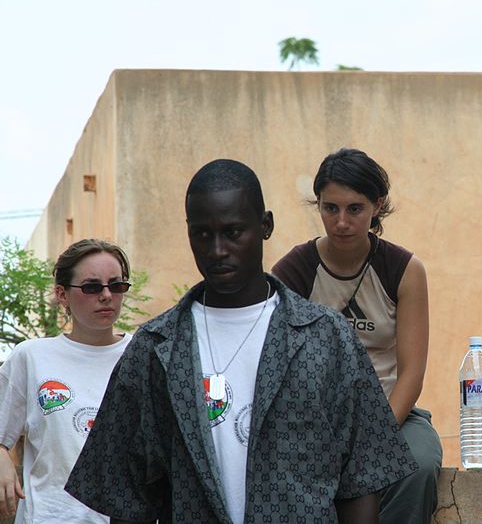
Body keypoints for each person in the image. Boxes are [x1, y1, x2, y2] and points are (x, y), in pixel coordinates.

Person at [65, 158, 416, 524]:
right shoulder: (155, 348)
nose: (217, 250)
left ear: (265, 226)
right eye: (202, 234)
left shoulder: (326, 339)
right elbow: (126, 495)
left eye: (233, 232)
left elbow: (360, 481)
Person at [272, 148, 442, 523]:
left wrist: (373, 436)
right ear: (318, 206)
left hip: (391, 412)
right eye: (330, 208)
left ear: (377, 206)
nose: (342, 222)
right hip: (313, 421)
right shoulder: (293, 271)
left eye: (355, 209)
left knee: (420, 463)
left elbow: (411, 373)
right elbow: (278, 369)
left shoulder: (404, 269)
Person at [0, 239, 134, 522]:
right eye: (92, 287)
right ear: (62, 295)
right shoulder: (32, 357)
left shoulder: (144, 356)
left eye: (117, 285)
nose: (107, 295)